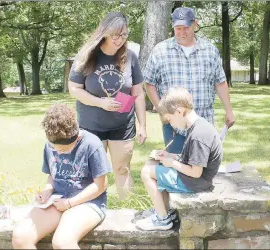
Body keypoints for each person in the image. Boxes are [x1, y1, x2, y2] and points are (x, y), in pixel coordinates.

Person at [68, 12, 146, 199]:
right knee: (93, 172)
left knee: (122, 168)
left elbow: (138, 93)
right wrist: (100, 102)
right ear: (105, 32)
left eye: (124, 35)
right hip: (92, 126)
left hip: (122, 126)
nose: (120, 40)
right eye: (115, 35)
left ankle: (126, 206)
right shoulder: (87, 55)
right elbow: (74, 89)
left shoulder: (130, 57)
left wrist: (142, 125)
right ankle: (93, 209)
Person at [12, 103, 112, 249]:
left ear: (77, 138)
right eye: (55, 149)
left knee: (62, 243)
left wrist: (70, 203)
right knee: (20, 237)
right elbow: (53, 175)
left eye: (65, 149)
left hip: (89, 202)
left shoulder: (92, 144)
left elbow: (100, 185)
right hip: (58, 200)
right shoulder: (50, 144)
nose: (59, 153)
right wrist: (47, 190)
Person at [143, 7, 235, 154]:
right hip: (173, 125)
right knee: (176, 168)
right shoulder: (160, 50)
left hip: (203, 122)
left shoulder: (209, 50)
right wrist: (160, 107)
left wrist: (229, 111)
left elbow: (220, 82)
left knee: (202, 170)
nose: (182, 32)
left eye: (186, 27)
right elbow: (149, 83)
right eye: (178, 28)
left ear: (195, 25)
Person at [135, 87, 223, 231]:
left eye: (170, 119)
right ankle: (165, 211)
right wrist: (170, 156)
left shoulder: (198, 135)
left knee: (146, 172)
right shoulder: (196, 126)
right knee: (152, 162)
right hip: (194, 179)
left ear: (180, 111)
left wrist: (173, 163)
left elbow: (196, 172)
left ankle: (163, 219)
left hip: (195, 182)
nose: (170, 124)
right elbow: (192, 158)